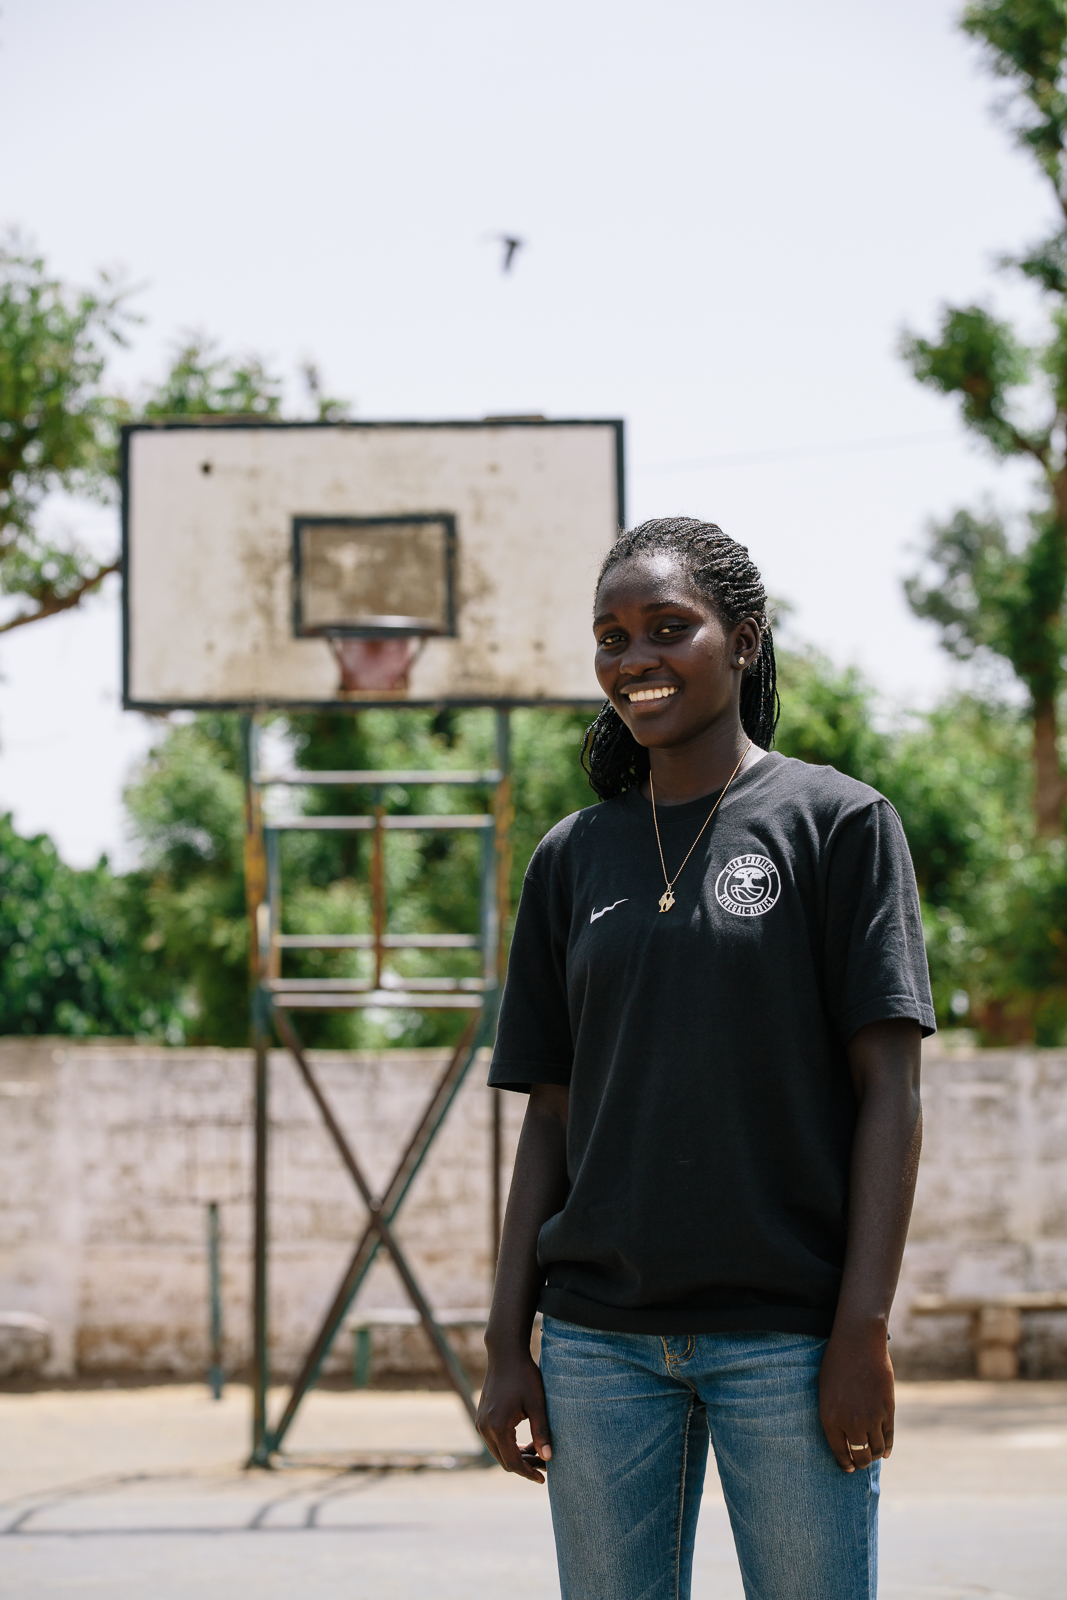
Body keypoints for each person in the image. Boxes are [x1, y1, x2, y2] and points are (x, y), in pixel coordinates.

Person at [476, 518, 934, 1600]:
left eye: (666, 628)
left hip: (786, 1339)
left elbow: (889, 1093)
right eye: (611, 636)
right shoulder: (570, 857)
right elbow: (549, 1117)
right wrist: (507, 1342)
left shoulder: (839, 825)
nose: (633, 659)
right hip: (599, 1347)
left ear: (741, 640)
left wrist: (860, 1330)